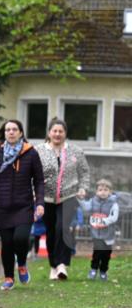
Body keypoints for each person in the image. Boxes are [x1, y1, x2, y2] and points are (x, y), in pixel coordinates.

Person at [0, 120, 45, 290]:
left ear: (21, 133)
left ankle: (21, 263)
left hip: (24, 206)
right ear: (4, 133)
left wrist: (40, 203)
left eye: (14, 129)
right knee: (7, 244)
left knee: (20, 238)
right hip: (3, 207)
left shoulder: (31, 153)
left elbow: (39, 181)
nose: (11, 132)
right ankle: (8, 278)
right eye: (8, 130)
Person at [36, 117, 91, 281]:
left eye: (61, 131)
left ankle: (62, 264)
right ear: (49, 133)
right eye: (55, 131)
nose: (57, 134)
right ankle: (53, 266)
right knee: (51, 232)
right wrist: (34, 191)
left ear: (65, 133)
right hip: (46, 197)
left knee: (62, 227)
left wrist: (83, 188)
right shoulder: (39, 150)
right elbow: (32, 172)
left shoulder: (76, 151)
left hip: (68, 195)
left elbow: (84, 172)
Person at [79, 178, 120, 281]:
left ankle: (103, 271)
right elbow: (86, 208)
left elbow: (114, 217)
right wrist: (80, 199)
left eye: (106, 190)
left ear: (110, 192)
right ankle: (93, 269)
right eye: (100, 189)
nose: (103, 192)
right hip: (96, 233)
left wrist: (105, 221)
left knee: (106, 254)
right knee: (97, 253)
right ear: (97, 191)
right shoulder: (93, 201)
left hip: (108, 234)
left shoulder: (113, 203)